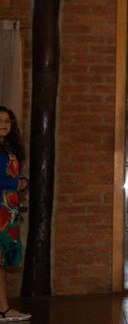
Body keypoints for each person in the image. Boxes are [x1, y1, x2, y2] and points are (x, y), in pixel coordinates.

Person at [0, 106, 30, 322]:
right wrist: (15, 182)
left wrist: (23, 182)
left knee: (0, 262)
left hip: (7, 209)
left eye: (7, 121)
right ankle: (3, 309)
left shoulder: (8, 147)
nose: (4, 124)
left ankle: (3, 308)